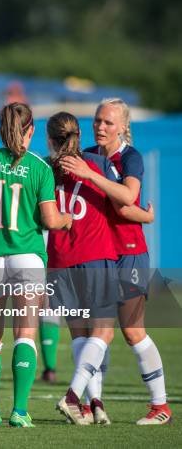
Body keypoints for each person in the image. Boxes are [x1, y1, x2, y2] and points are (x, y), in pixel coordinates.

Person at [60, 98, 172, 425]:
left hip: (129, 253)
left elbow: (126, 198)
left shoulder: (130, 157)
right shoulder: (89, 156)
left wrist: (141, 215)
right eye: (97, 120)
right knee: (98, 331)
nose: (100, 127)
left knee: (132, 331)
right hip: (98, 256)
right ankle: (94, 403)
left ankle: (160, 406)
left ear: (123, 126)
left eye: (108, 122)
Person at [0, 102, 72, 428]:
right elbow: (51, 220)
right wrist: (67, 220)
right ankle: (20, 411)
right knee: (25, 334)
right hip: (27, 257)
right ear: (32, 130)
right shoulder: (40, 168)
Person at [44, 112, 153, 426]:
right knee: (103, 333)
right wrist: (146, 217)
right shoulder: (99, 165)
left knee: (80, 335)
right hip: (95, 256)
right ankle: (73, 397)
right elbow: (123, 203)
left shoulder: (45, 170)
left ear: (50, 140)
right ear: (79, 134)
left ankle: (94, 406)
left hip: (60, 260)